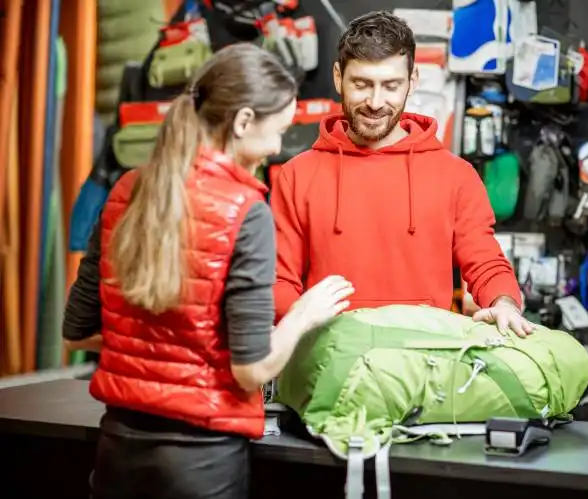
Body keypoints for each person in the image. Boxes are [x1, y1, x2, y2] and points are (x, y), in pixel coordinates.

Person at [62, 43, 354, 499]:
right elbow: (252, 370)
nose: (278, 147)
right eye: (277, 130)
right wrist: (304, 314)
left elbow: (78, 330)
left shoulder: (126, 190)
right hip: (202, 462)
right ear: (242, 123)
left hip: (118, 451)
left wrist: (169, 342)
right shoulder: (245, 210)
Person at [271, 11, 532, 337]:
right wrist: (301, 320)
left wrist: (504, 303)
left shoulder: (455, 176)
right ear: (338, 78)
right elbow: (279, 280)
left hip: (424, 368)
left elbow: (485, 262)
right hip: (330, 367)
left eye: (390, 85)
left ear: (413, 81)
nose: (375, 102)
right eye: (361, 84)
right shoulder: (297, 175)